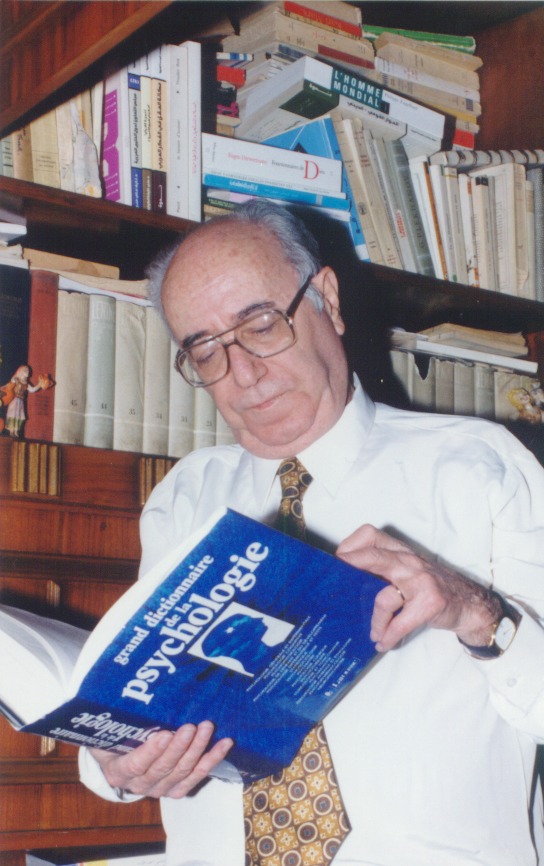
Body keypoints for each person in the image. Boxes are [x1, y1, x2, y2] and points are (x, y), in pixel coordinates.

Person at [79, 200, 544, 866]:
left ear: (327, 298)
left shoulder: (477, 465)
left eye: (261, 325)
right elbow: (134, 707)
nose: (243, 375)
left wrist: (477, 612)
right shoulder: (185, 497)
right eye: (205, 350)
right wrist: (114, 762)